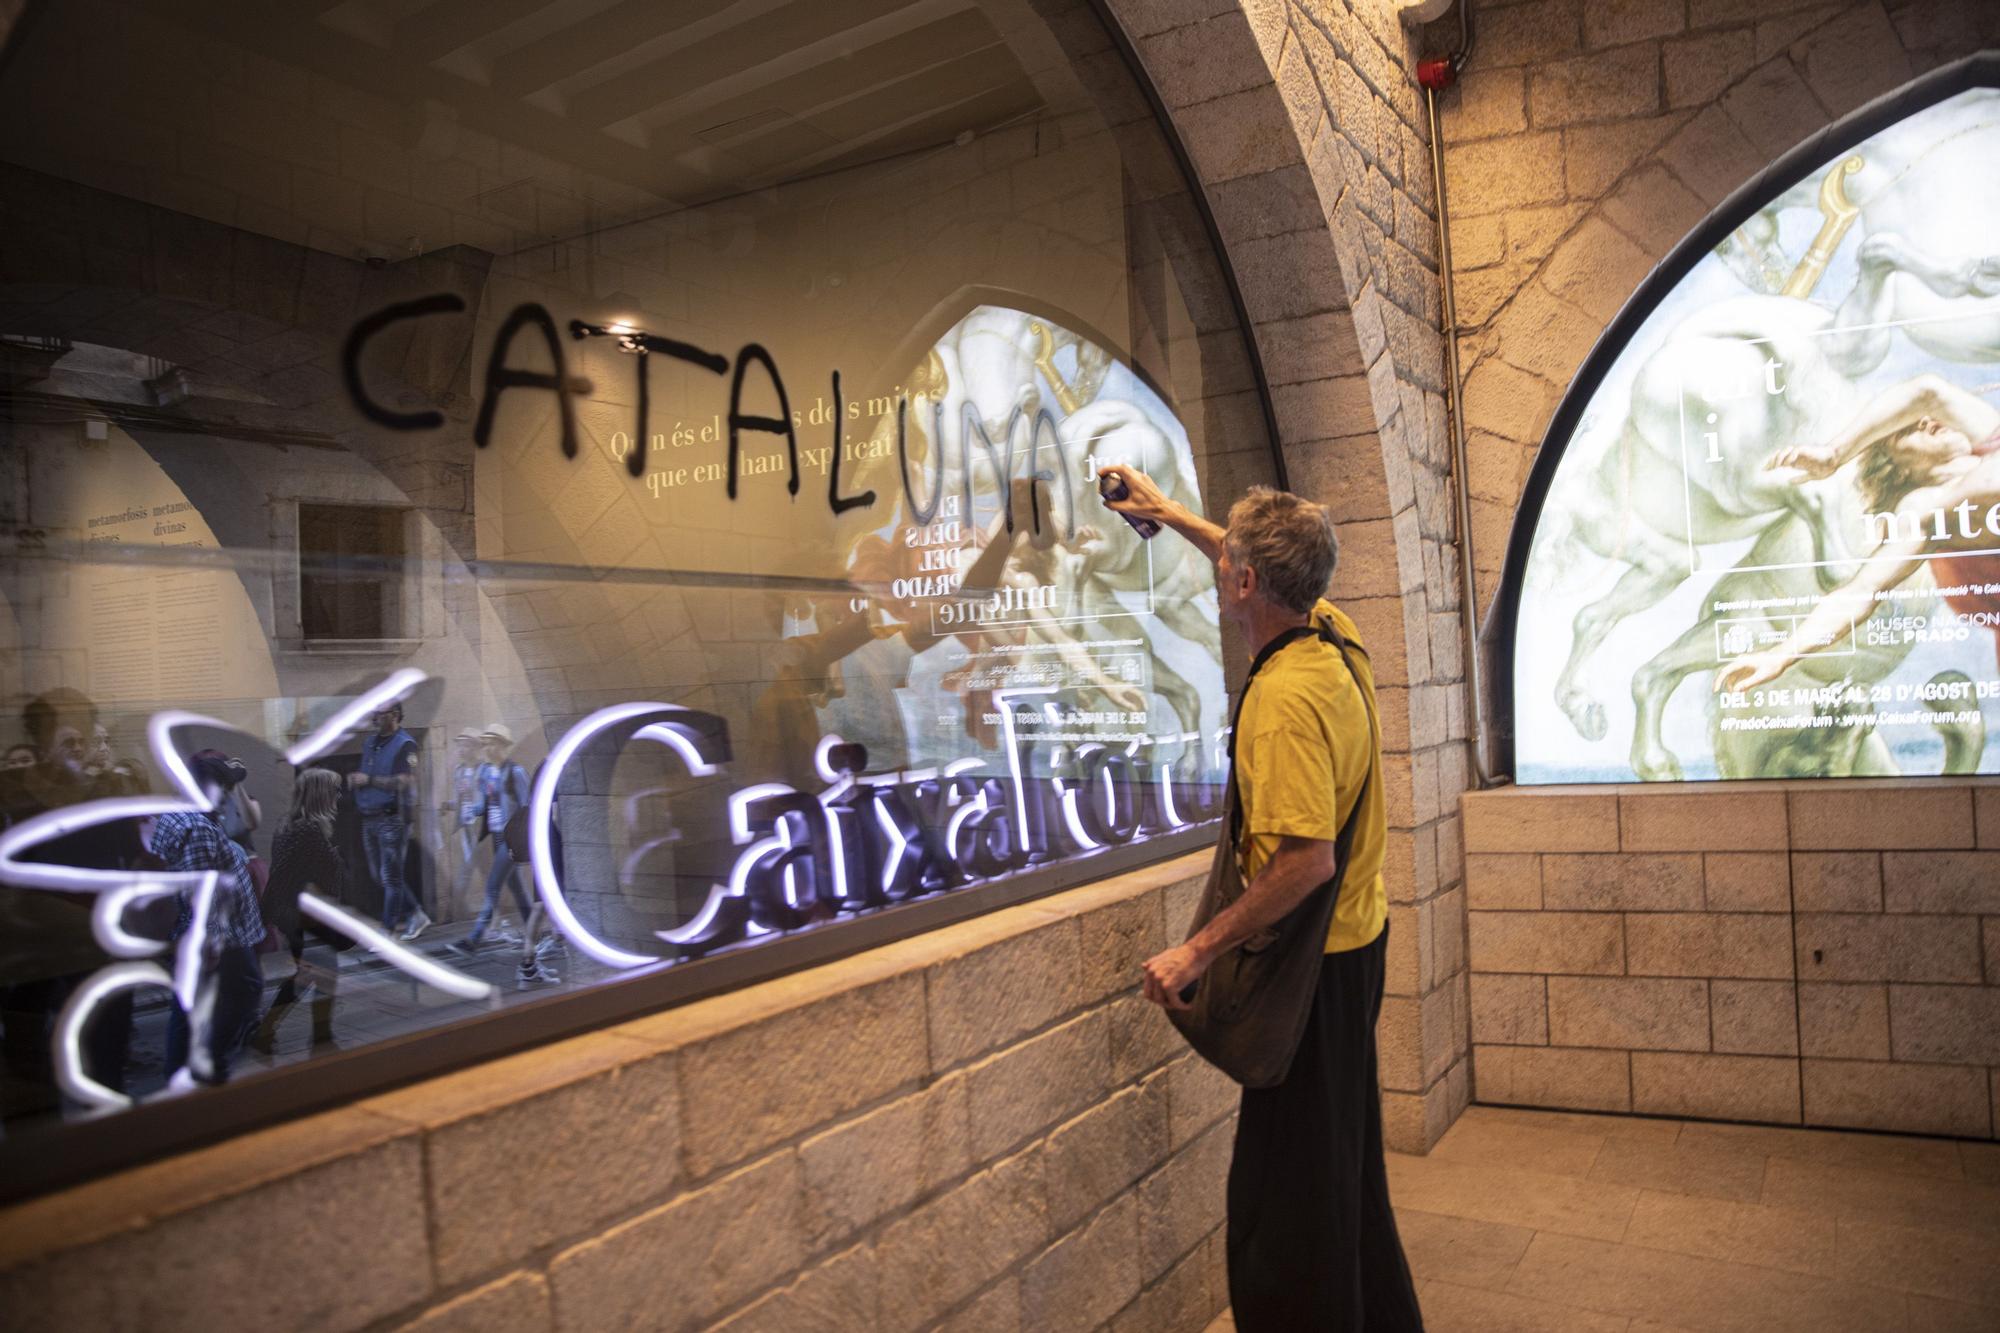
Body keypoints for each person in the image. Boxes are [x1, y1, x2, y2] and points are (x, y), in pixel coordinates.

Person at [1106, 467, 1423, 1332]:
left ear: (1247, 583)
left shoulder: (1281, 701)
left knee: (1282, 1216)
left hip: (1309, 977)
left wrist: (1194, 950)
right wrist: (1168, 514)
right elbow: (1257, 563)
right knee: (1345, 1180)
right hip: (1357, 952)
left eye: (1229, 563)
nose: (1221, 571)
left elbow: (1303, 863)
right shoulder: (1332, 635)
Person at [1720, 374, 2000, 692]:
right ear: (1899, 470)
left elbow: (1927, 392)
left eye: (1921, 420)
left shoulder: (1986, 431)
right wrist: (1783, 653)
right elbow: (1862, 590)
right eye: (1904, 431)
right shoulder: (1925, 507)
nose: (1924, 423)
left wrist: (1834, 454)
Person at [152, 750, 268, 1087]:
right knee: (245, 990)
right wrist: (212, 943)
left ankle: (184, 1077)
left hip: (199, 936)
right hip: (220, 938)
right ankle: (207, 1066)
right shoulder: (197, 826)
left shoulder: (181, 816)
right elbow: (202, 893)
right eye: (224, 787)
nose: (228, 795)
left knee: (189, 1009)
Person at [250, 768, 350, 1055]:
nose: (338, 796)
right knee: (322, 974)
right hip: (307, 916)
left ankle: (278, 1033)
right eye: (334, 790)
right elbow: (299, 875)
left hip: (295, 914)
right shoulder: (308, 830)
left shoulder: (289, 825)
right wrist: (335, 858)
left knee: (309, 975)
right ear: (321, 795)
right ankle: (318, 1039)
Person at [449, 724, 533, 955]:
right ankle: (532, 933)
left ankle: (473, 940)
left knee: (493, 886)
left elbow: (527, 808)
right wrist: (471, 810)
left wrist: (522, 841)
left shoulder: (515, 772)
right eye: (484, 743)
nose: (485, 747)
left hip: (511, 838)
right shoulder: (486, 772)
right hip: (496, 836)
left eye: (490, 742)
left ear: (502, 745)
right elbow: (485, 803)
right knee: (517, 889)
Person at [349, 701, 427, 940]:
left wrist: (368, 780)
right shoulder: (370, 742)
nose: (375, 718)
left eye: (380, 713)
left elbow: (406, 781)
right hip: (369, 817)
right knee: (380, 875)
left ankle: (387, 930)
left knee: (390, 877)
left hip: (392, 818)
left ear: (394, 715)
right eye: (373, 713)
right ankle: (416, 913)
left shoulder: (406, 745)